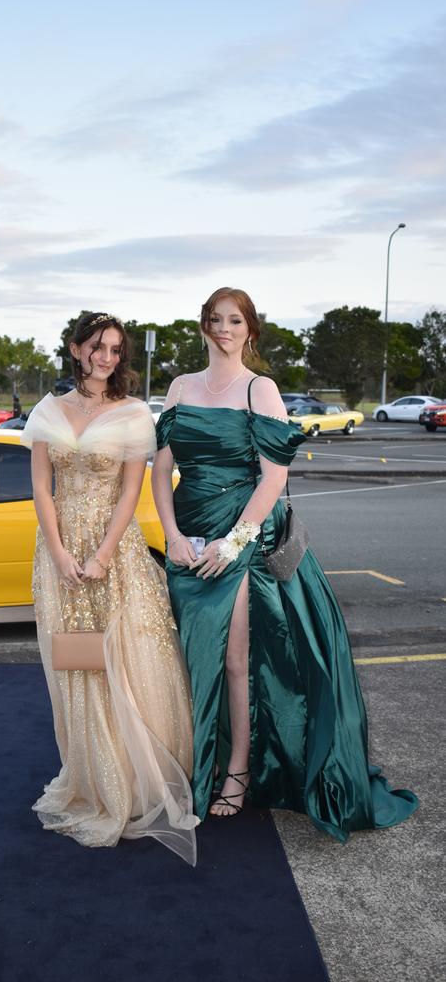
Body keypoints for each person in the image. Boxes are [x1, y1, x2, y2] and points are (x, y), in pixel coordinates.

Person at [151, 287, 418, 840]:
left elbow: (272, 479)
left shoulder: (259, 388)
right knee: (189, 656)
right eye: (214, 320)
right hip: (189, 539)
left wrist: (233, 543)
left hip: (239, 538)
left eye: (234, 320)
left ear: (249, 330)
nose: (223, 329)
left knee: (234, 659)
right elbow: (160, 469)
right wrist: (173, 535)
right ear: (203, 327)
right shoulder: (181, 387)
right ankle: (196, 760)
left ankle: (237, 771)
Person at [21, 312, 198, 865]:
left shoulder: (132, 413)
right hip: (59, 554)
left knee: (125, 660)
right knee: (77, 663)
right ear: (76, 349)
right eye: (99, 347)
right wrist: (59, 554)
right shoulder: (49, 411)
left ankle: (134, 781)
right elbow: (42, 490)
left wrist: (99, 556)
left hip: (113, 554)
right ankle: (92, 780)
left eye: (116, 350)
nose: (107, 358)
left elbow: (130, 494)